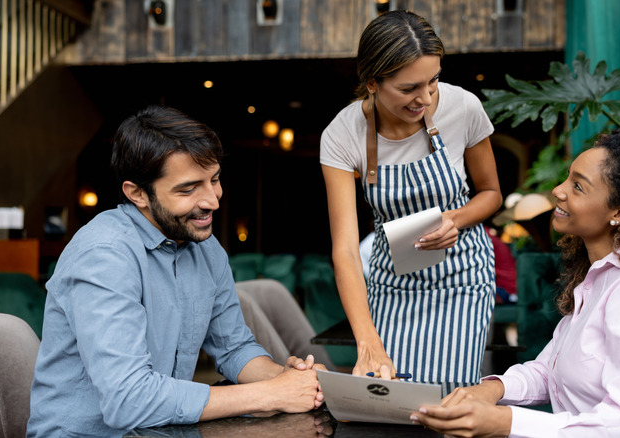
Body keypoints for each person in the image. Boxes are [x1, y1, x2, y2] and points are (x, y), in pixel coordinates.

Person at [27, 105, 325, 437]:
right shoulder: (104, 255)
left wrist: (288, 379)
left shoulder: (207, 249)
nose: (212, 200)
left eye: (214, 180)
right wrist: (269, 395)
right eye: (188, 189)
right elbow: (129, 400)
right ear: (137, 193)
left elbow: (234, 348)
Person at [413, 127, 620, 437]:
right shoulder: (595, 279)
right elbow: (548, 372)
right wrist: (493, 389)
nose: (558, 190)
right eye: (568, 178)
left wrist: (504, 422)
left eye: (578, 187)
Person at [320, 10, 502, 384]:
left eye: (433, 81)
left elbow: (491, 193)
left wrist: (455, 219)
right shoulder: (341, 135)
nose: (425, 98)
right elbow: (346, 250)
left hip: (463, 279)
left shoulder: (463, 106)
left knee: (444, 399)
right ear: (372, 82)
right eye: (408, 89)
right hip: (393, 284)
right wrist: (367, 339)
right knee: (387, 398)